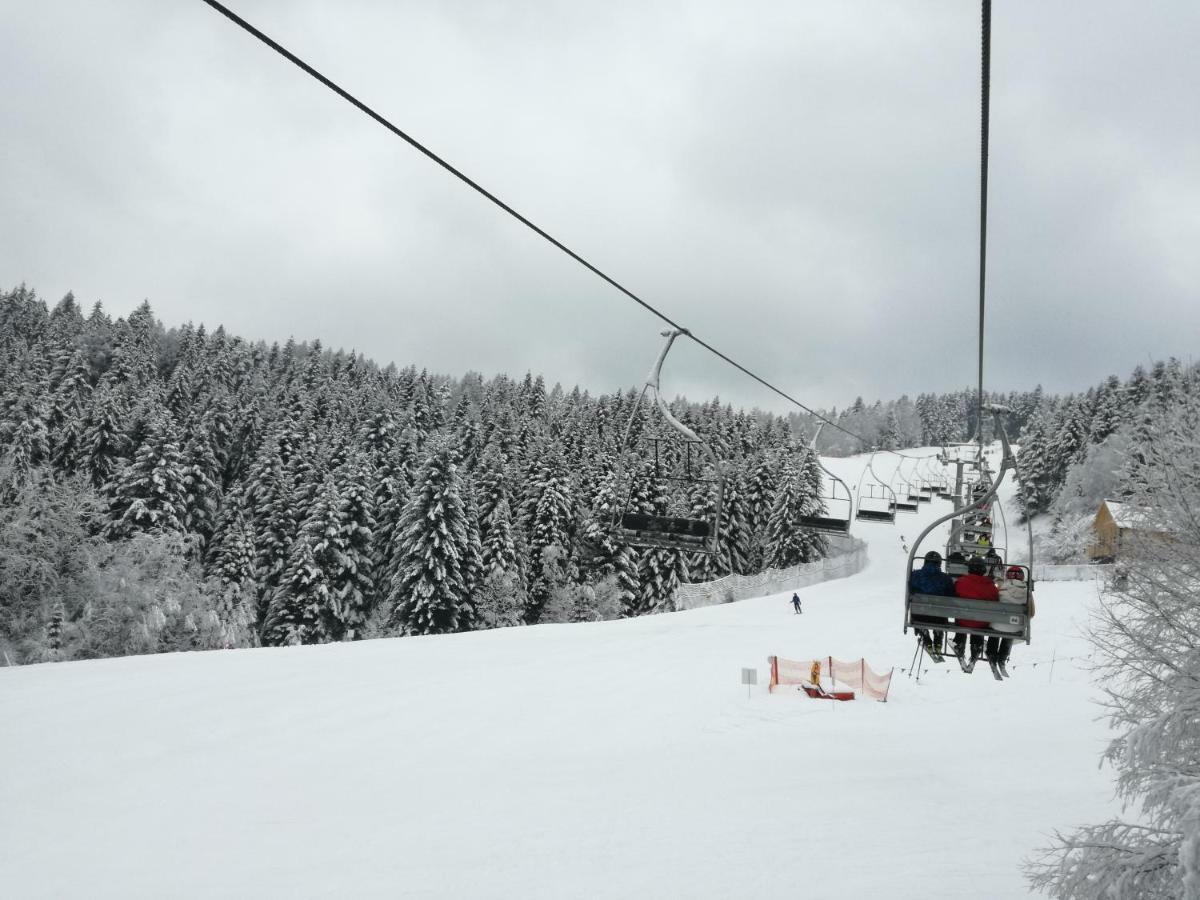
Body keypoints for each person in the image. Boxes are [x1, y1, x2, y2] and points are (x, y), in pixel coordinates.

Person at [952, 558, 1000, 670]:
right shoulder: (991, 586)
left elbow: (953, 598)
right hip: (981, 623)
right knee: (978, 621)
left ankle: (959, 644)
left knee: (962, 617)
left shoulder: (960, 582)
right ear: (983, 570)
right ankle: (975, 651)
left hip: (962, 621)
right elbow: (996, 600)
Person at [909, 550, 955, 655]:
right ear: (939, 563)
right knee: (940, 610)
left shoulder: (915, 575)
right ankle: (938, 637)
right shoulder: (945, 579)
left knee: (918, 607)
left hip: (919, 615)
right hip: (939, 617)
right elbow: (951, 596)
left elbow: (910, 591)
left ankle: (924, 633)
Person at [988, 566, 1028, 668]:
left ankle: (992, 654)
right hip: (1016, 625)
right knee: (1011, 628)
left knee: (997, 627)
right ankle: (1002, 657)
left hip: (997, 623)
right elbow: (1031, 612)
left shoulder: (1001, 588)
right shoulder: (1027, 592)